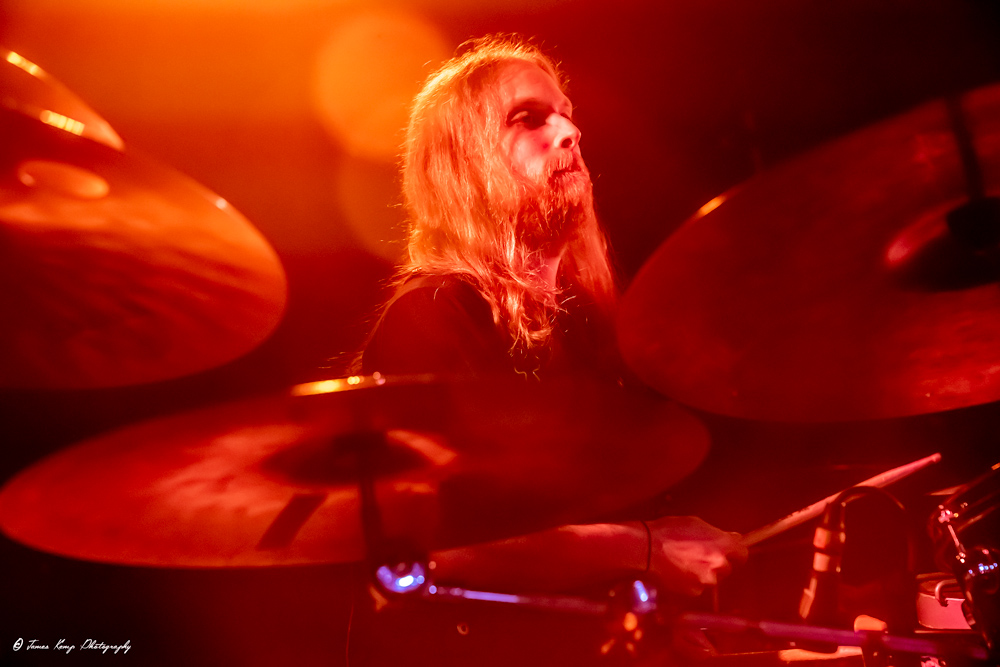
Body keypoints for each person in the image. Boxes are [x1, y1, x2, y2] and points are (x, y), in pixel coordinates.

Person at [351, 34, 744, 664]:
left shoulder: (589, 329)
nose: (568, 132)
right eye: (528, 118)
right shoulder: (432, 317)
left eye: (567, 115)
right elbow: (430, 556)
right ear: (463, 161)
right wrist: (644, 547)